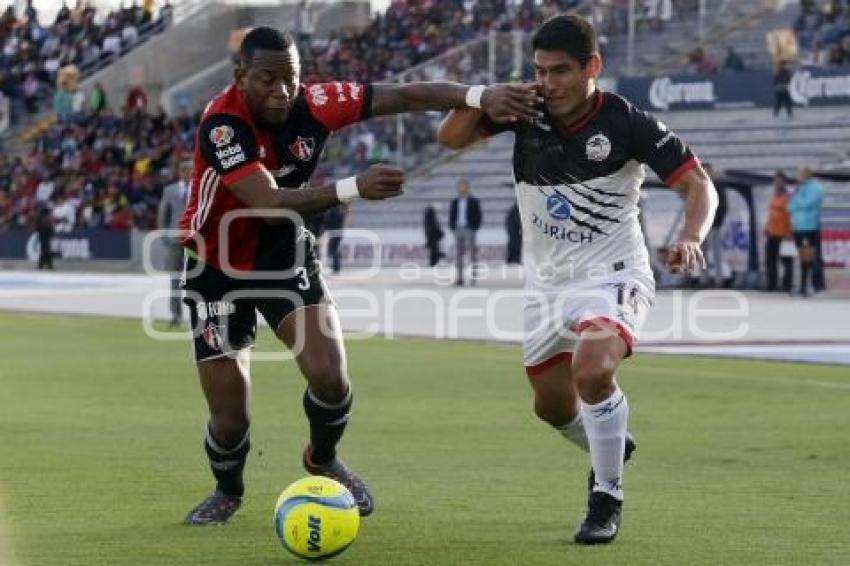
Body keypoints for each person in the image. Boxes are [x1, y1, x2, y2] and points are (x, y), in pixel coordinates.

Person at [178, 26, 538, 525]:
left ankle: (322, 459)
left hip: (282, 255)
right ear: (241, 77)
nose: (282, 93)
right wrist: (353, 188)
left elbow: (407, 95)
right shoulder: (223, 124)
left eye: (292, 80)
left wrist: (480, 96)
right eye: (266, 80)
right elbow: (265, 201)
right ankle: (228, 489)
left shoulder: (318, 103)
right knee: (231, 413)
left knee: (330, 377)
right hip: (214, 268)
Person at [437, 14, 717, 545]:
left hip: (612, 273)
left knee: (592, 371)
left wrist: (692, 234)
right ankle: (608, 438)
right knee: (551, 407)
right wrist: (481, 97)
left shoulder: (628, 122)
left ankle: (606, 494)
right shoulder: (526, 108)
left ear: (593, 67)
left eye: (560, 71)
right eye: (539, 71)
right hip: (545, 282)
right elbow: (449, 138)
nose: (547, 83)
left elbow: (698, 184)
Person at [158, 159, 191, 327]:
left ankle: (199, 316)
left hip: (196, 241)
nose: (187, 172)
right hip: (175, 241)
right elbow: (163, 214)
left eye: (190, 169)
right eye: (184, 169)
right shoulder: (169, 191)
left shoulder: (200, 189)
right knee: (175, 280)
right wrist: (164, 236)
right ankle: (176, 316)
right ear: (179, 171)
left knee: (198, 279)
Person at [788, 167, 825, 296]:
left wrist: (797, 201)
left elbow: (807, 203)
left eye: (799, 173)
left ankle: (811, 285)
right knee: (802, 257)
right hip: (798, 227)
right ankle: (803, 285)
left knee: (809, 258)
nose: (797, 176)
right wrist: (796, 199)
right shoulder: (799, 189)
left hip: (809, 227)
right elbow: (790, 206)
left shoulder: (816, 188)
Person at [763, 171, 793, 292]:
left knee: (786, 261)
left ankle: (787, 284)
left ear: (783, 182)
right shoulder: (773, 195)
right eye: (775, 181)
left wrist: (790, 231)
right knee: (770, 260)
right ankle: (772, 284)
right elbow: (770, 213)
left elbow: (792, 214)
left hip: (784, 233)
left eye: (779, 181)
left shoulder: (788, 196)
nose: (777, 183)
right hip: (772, 232)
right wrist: (766, 227)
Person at [448, 178, 482, 286]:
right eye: (460, 186)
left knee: (472, 254)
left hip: (469, 229)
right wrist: (452, 227)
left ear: (467, 187)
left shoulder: (473, 201)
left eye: (464, 186)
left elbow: (479, 215)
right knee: (458, 255)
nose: (462, 188)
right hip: (458, 229)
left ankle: (473, 277)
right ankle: (459, 278)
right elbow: (452, 215)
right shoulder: (455, 201)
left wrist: (475, 227)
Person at [701, 163, 727, 287]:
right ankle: (703, 279)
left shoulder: (718, 186)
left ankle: (718, 280)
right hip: (700, 226)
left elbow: (723, 206)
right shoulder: (698, 185)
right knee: (702, 254)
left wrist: (717, 221)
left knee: (717, 254)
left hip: (714, 225)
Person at [324, 203, 348, 274]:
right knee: (334, 250)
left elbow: (329, 222)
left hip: (335, 232)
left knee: (334, 250)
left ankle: (336, 267)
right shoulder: (341, 212)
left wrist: (326, 227)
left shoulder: (334, 212)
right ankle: (336, 267)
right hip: (337, 232)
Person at [35, 205, 54, 270]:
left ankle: (44, 265)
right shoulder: (43, 219)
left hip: (44, 235)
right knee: (45, 250)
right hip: (43, 235)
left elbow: (37, 228)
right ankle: (47, 265)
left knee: (45, 250)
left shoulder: (41, 219)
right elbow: (49, 229)